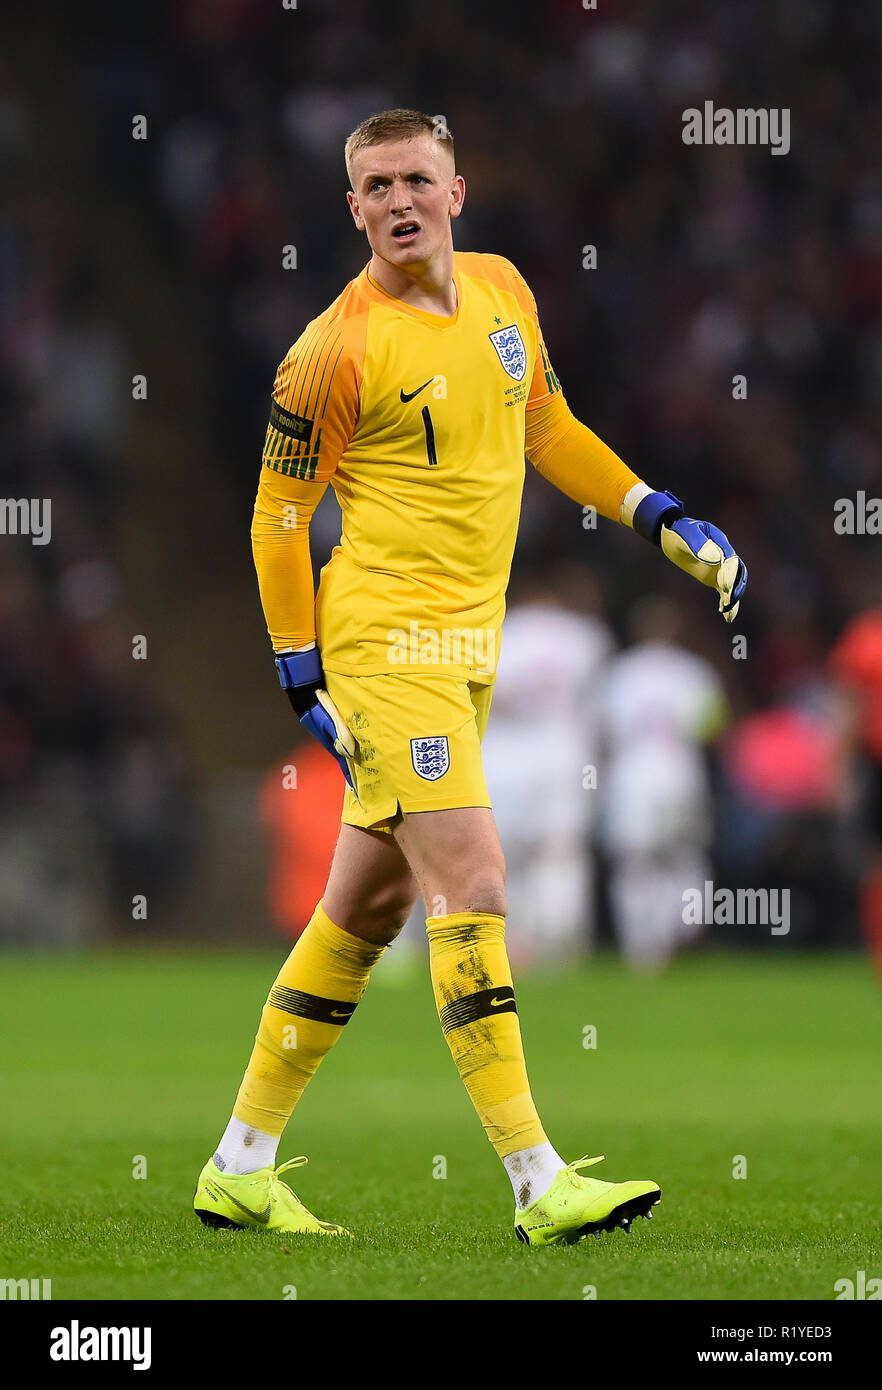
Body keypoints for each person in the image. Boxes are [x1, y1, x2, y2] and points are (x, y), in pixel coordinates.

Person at [193, 109, 746, 1247]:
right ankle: (537, 1179)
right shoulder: (331, 349)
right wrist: (301, 668)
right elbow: (279, 514)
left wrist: (658, 515)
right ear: (352, 209)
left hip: (465, 646)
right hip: (383, 645)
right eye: (375, 185)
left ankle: (239, 1162)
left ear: (457, 193)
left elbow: (549, 426)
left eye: (417, 179)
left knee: (367, 904)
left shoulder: (503, 293)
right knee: (477, 883)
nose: (399, 200)